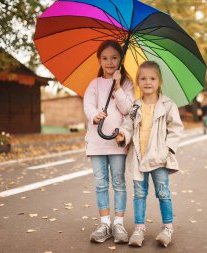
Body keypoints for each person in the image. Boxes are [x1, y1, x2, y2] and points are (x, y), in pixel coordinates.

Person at [116, 61, 183, 248]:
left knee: (163, 192)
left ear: (159, 81)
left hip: (159, 158)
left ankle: (167, 227)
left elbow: (176, 128)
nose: (148, 82)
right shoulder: (135, 106)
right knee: (139, 194)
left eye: (152, 78)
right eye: (143, 78)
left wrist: (168, 149)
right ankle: (139, 228)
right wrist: (123, 135)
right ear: (137, 81)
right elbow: (127, 126)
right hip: (139, 157)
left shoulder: (168, 105)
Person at [83, 40, 134, 244]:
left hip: (116, 142)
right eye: (105, 58)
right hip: (96, 142)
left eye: (114, 58)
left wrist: (119, 86)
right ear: (99, 60)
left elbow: (127, 109)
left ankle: (118, 223)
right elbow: (88, 104)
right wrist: (95, 115)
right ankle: (104, 222)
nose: (109, 62)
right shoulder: (94, 84)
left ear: (120, 60)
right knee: (101, 183)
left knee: (119, 182)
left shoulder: (127, 84)